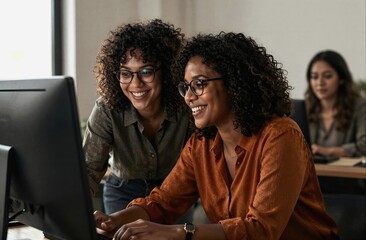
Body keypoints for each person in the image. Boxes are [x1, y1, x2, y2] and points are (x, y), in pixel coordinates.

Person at [94, 32, 339, 240]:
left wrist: (179, 232)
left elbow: (262, 229)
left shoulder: (280, 135)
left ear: (234, 84)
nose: (189, 97)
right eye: (186, 87)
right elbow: (162, 203)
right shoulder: (201, 144)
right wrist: (113, 220)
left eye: (199, 84)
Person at [83, 19, 194, 221]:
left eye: (146, 71)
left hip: (173, 192)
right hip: (122, 191)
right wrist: (73, 207)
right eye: (126, 73)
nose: (135, 84)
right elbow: (89, 170)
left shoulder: (186, 107)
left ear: (168, 72)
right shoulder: (107, 109)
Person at [305, 50, 366, 158]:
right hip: (310, 172)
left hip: (345, 173)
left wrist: (329, 151)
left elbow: (364, 145)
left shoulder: (360, 106)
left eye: (327, 76)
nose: (320, 83)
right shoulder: (304, 108)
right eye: (314, 77)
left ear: (341, 79)